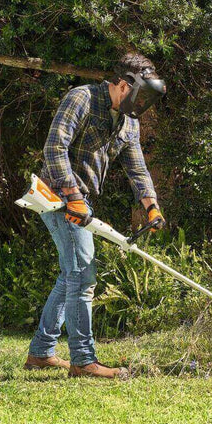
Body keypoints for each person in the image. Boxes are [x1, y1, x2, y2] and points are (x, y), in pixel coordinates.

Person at [24, 53, 167, 379]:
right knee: (83, 276)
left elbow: (137, 167)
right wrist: (73, 197)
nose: (141, 103)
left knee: (70, 276)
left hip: (81, 202)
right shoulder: (82, 99)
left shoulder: (129, 122)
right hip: (56, 197)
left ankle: (41, 353)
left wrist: (151, 205)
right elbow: (54, 148)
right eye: (139, 94)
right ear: (122, 85)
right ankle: (83, 361)